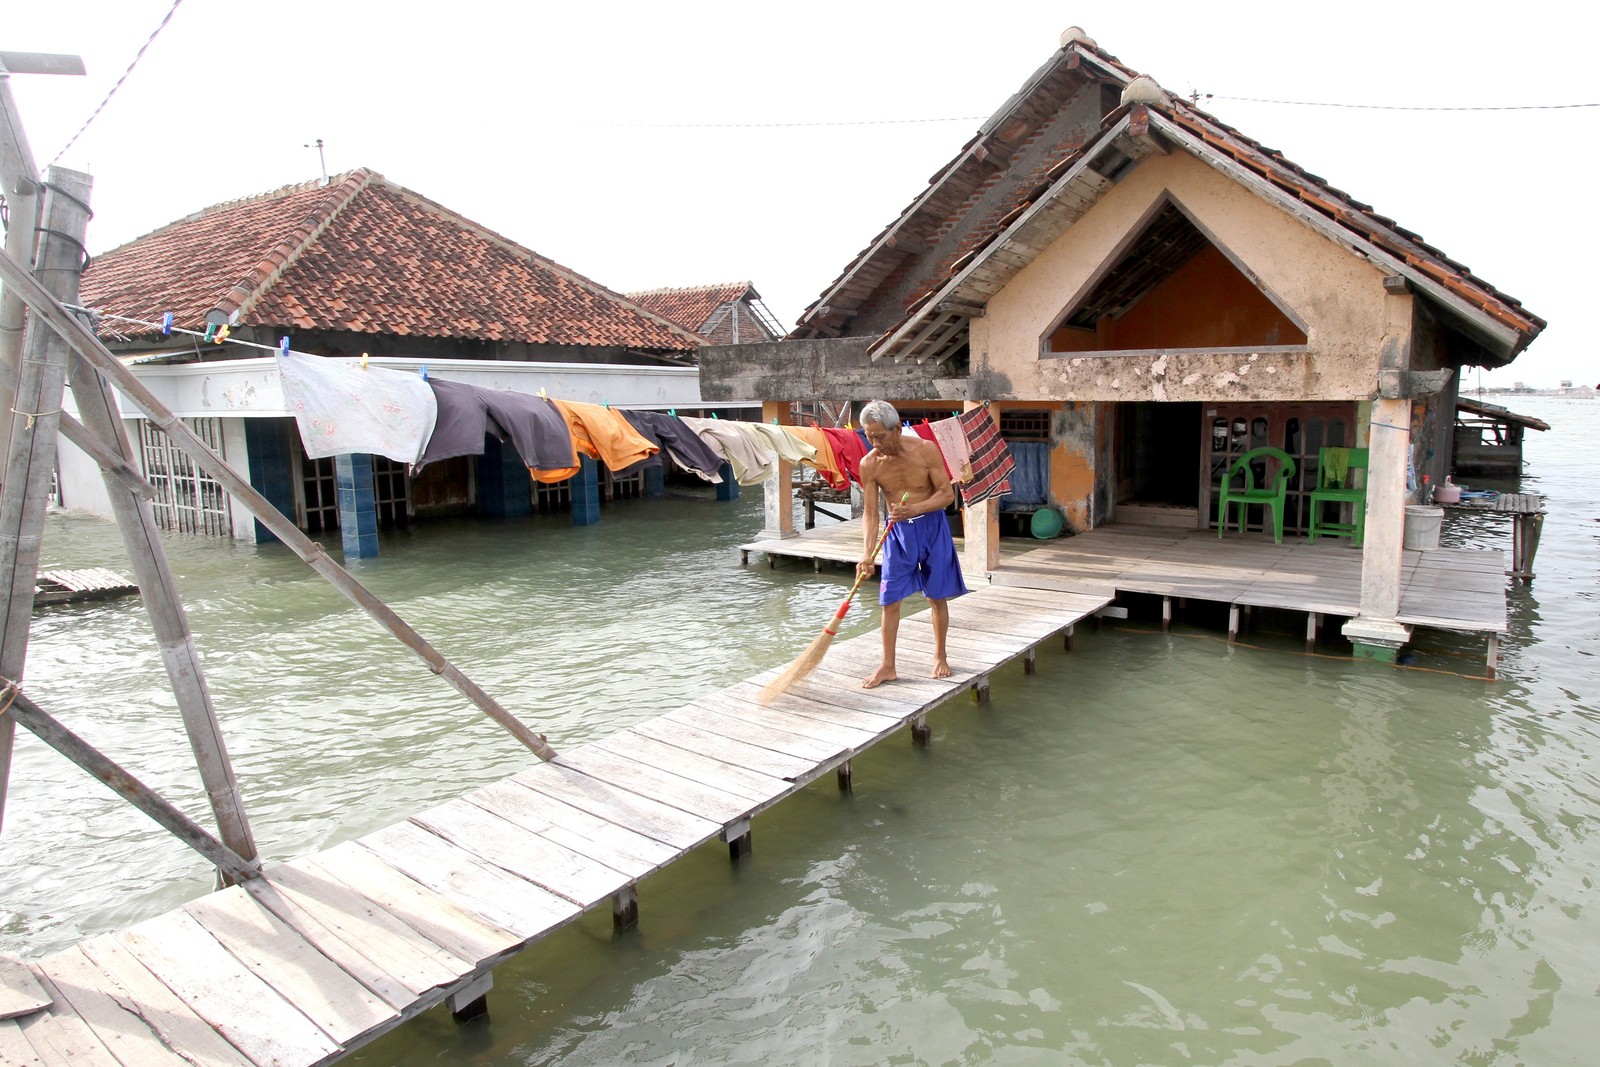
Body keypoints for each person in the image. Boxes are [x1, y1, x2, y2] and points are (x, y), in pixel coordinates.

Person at [856, 399, 968, 688]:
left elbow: (947, 495)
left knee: (936, 596)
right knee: (889, 600)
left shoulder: (926, 450)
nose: (875, 443)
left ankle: (941, 656)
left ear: (896, 429)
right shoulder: (869, 464)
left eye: (880, 436)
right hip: (897, 534)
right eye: (869, 437)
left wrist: (917, 509)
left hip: (932, 527)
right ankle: (887, 666)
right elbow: (870, 512)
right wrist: (866, 555)